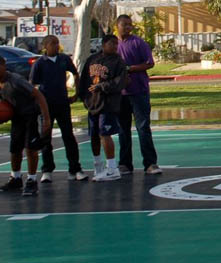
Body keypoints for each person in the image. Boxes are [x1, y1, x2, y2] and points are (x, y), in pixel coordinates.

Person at [0, 55, 52, 196]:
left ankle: (32, 180)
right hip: (17, 119)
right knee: (15, 149)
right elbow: (7, 106)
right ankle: (16, 178)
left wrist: (46, 119)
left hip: (30, 116)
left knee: (30, 148)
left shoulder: (16, 80)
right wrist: (2, 117)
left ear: (3, 66)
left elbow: (38, 95)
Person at [30, 35, 87, 182]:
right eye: (53, 43)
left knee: (68, 136)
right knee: (46, 138)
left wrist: (76, 93)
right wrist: (37, 103)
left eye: (57, 43)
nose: (56, 46)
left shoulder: (63, 59)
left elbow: (75, 73)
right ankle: (47, 170)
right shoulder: (39, 63)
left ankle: (75, 169)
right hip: (46, 106)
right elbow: (32, 85)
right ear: (45, 46)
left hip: (62, 103)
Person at [116, 14, 161, 175]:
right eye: (124, 25)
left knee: (143, 127)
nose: (128, 27)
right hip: (120, 94)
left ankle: (150, 163)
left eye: (130, 25)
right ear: (117, 26)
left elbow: (149, 63)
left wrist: (130, 69)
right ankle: (125, 164)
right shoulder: (113, 45)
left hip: (139, 92)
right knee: (123, 129)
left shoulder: (138, 43)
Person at [79, 34, 128, 182]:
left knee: (105, 134)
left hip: (108, 104)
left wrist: (102, 86)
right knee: (94, 135)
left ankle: (112, 168)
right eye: (112, 43)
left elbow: (120, 82)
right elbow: (84, 81)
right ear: (103, 44)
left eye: (116, 44)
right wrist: (84, 98)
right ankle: (98, 165)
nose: (115, 46)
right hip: (93, 103)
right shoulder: (91, 60)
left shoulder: (118, 62)